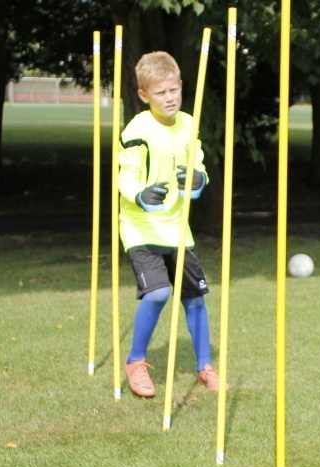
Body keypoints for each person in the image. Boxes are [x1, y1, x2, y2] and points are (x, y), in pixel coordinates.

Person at [116, 50, 221, 397]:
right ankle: (135, 362)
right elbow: (125, 177)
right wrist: (140, 195)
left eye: (174, 89)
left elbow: (199, 165)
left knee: (194, 298)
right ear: (145, 96)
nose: (170, 97)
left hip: (178, 226)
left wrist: (198, 180)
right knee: (159, 292)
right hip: (141, 227)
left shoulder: (190, 124)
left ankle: (205, 366)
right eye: (161, 93)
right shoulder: (137, 130)